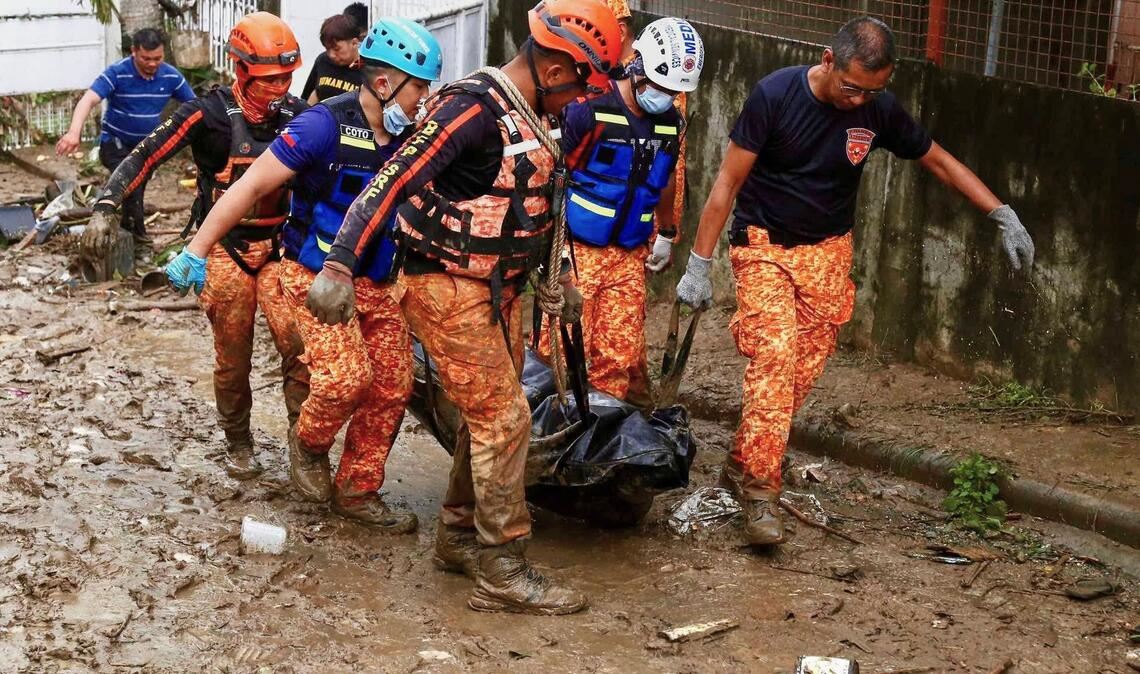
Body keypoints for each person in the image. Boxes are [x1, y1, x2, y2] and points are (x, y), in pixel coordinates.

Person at [305, 0, 622, 614]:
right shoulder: (470, 110)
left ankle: (457, 536)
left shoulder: (541, 114)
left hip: (500, 287)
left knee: (488, 416)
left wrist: (561, 273)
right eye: (583, 86)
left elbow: (546, 200)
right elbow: (392, 178)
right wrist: (339, 264)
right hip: (446, 286)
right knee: (506, 419)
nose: (584, 100)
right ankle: (503, 566)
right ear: (556, 70)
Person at [674, 17, 1036, 547]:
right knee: (775, 359)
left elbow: (937, 160)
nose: (860, 100)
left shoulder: (876, 109)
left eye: (873, 91)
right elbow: (727, 182)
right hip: (764, 247)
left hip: (828, 253)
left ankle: (744, 462)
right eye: (852, 88)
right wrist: (698, 264)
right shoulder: (774, 95)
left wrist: (1000, 212)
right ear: (828, 61)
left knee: (799, 375)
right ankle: (759, 492)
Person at [168, 18, 442, 531]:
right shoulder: (322, 125)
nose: (424, 99)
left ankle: (357, 491)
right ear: (385, 84)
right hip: (313, 276)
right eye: (419, 88)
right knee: (344, 380)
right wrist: (198, 249)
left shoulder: (414, 135)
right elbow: (250, 185)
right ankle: (308, 444)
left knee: (392, 386)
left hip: (378, 282)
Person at [87, 12, 312, 479]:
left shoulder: (299, 116)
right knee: (233, 357)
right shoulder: (205, 113)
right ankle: (238, 441)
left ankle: (305, 445)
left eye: (287, 77)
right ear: (241, 70)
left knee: (301, 349)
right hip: (226, 248)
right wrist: (106, 205)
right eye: (269, 79)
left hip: (281, 247)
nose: (280, 88)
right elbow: (146, 154)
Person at [541, 17, 703, 402]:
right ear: (638, 65)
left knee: (618, 357)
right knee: (558, 353)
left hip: (629, 257)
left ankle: (601, 431)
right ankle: (548, 428)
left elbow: (664, 178)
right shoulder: (587, 110)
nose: (665, 96)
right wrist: (553, 253)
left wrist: (666, 233)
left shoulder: (670, 123)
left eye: (674, 91)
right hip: (578, 251)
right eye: (661, 86)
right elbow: (550, 177)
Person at [57, 28, 196, 250]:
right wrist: (74, 132)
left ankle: (123, 233)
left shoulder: (171, 76)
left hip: (146, 148)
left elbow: (195, 106)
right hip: (114, 143)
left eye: (157, 58)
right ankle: (139, 241)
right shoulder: (117, 73)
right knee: (132, 183)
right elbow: (88, 100)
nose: (152, 63)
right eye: (146, 58)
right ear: (134, 51)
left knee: (132, 190)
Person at [300, 14, 363, 104]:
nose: (331, 55)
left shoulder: (368, 71)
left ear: (354, 43)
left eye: (336, 49)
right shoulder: (323, 61)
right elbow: (308, 97)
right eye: (327, 49)